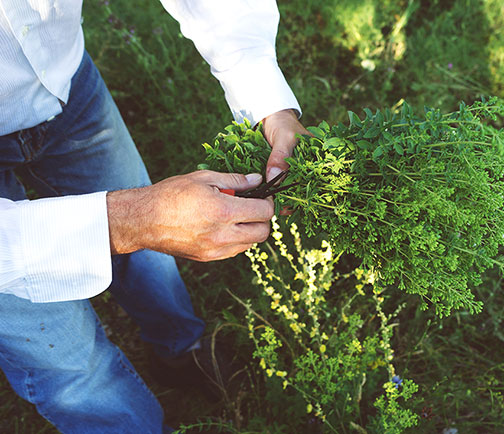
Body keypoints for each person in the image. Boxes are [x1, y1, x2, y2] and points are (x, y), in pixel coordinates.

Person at [0, 0, 308, 432]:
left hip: (61, 78)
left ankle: (180, 349)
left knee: (151, 257)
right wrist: (132, 219)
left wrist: (267, 100)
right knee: (67, 358)